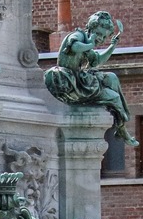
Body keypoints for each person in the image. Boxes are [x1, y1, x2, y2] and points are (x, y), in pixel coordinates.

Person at [43, 10, 133, 140]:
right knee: (114, 98)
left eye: (104, 37)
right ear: (91, 28)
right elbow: (74, 47)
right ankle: (121, 126)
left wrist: (112, 46)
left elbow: (97, 60)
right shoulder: (79, 35)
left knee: (112, 78)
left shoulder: (87, 46)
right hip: (67, 81)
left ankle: (121, 127)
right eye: (99, 34)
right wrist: (90, 44)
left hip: (79, 79)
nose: (100, 39)